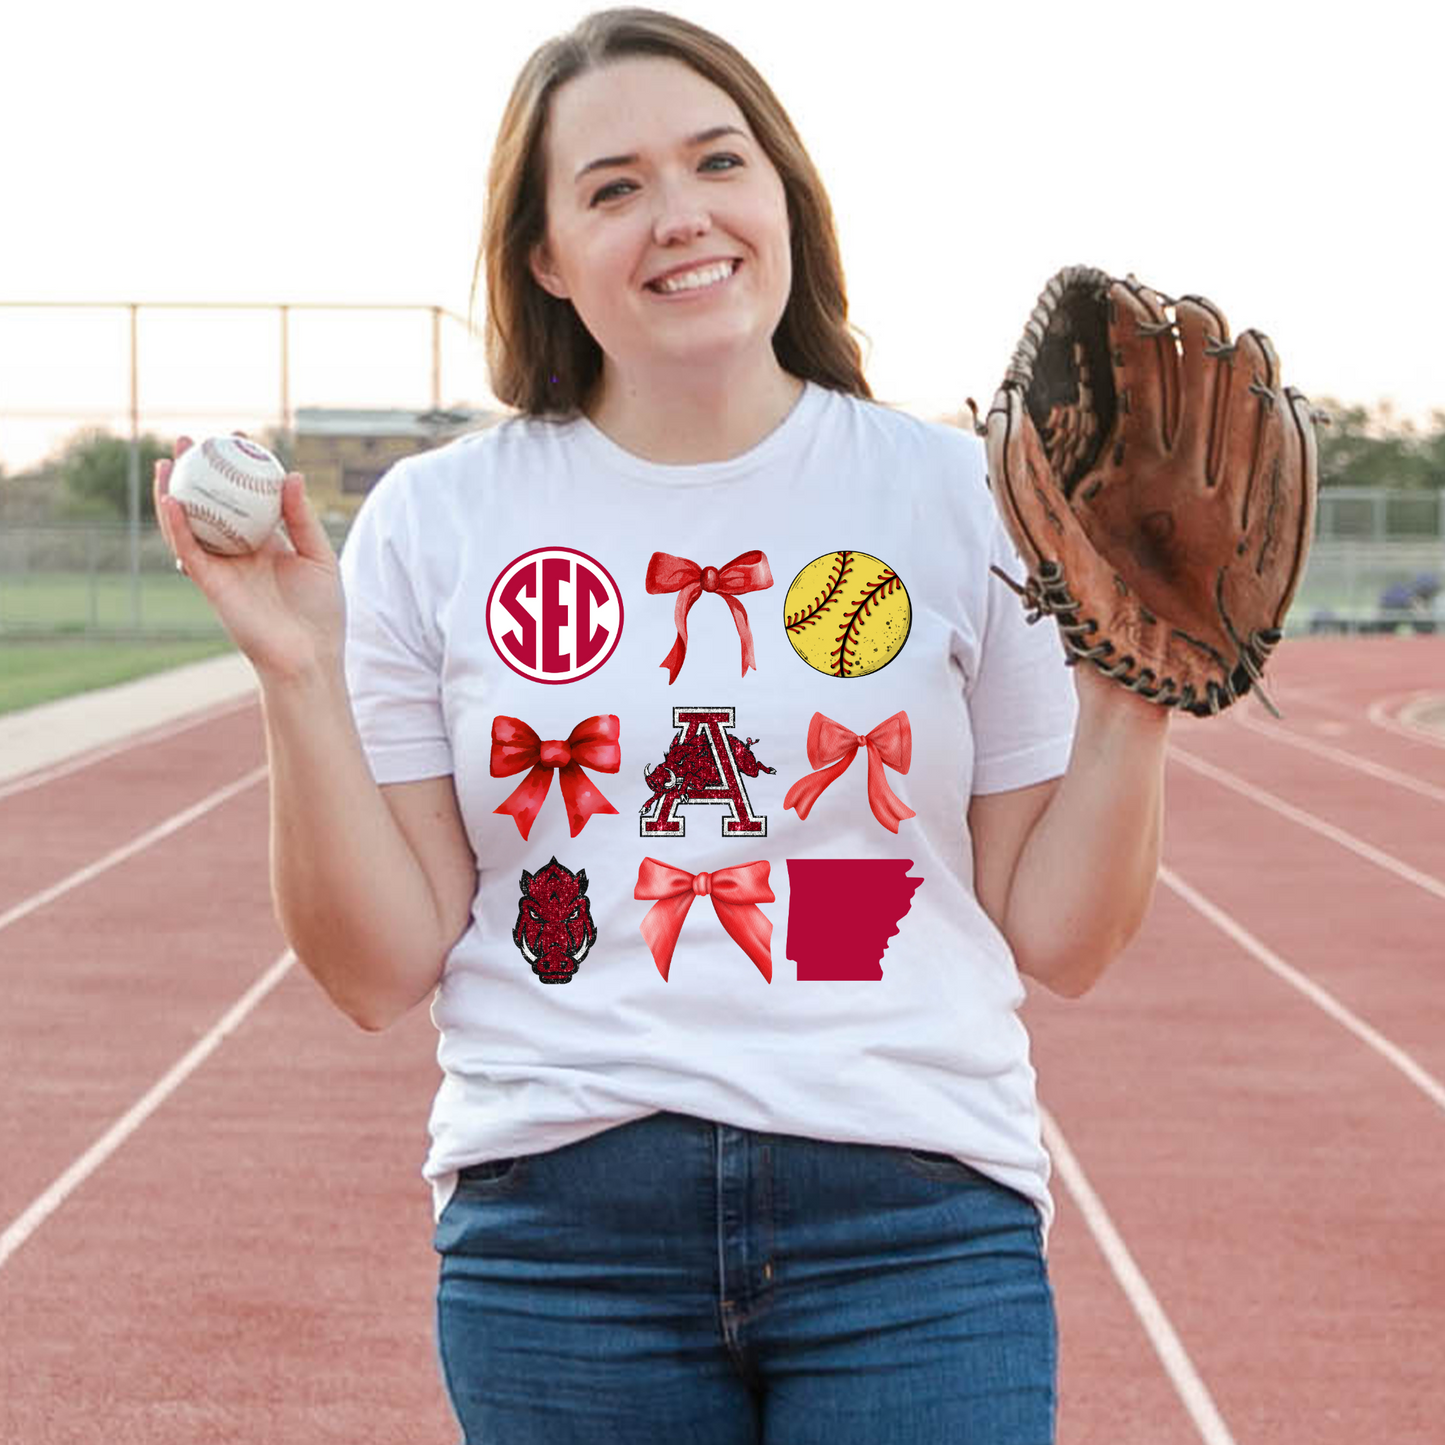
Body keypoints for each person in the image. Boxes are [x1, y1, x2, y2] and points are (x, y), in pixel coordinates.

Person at [155, 9, 1170, 1442]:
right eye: (614, 186)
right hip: (561, 1237)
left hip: (915, 1228)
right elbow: (378, 971)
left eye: (717, 161)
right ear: (546, 257)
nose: (680, 214)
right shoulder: (440, 522)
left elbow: (1062, 938)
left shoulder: (962, 498)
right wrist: (297, 676)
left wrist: (1134, 703)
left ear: (785, 195)